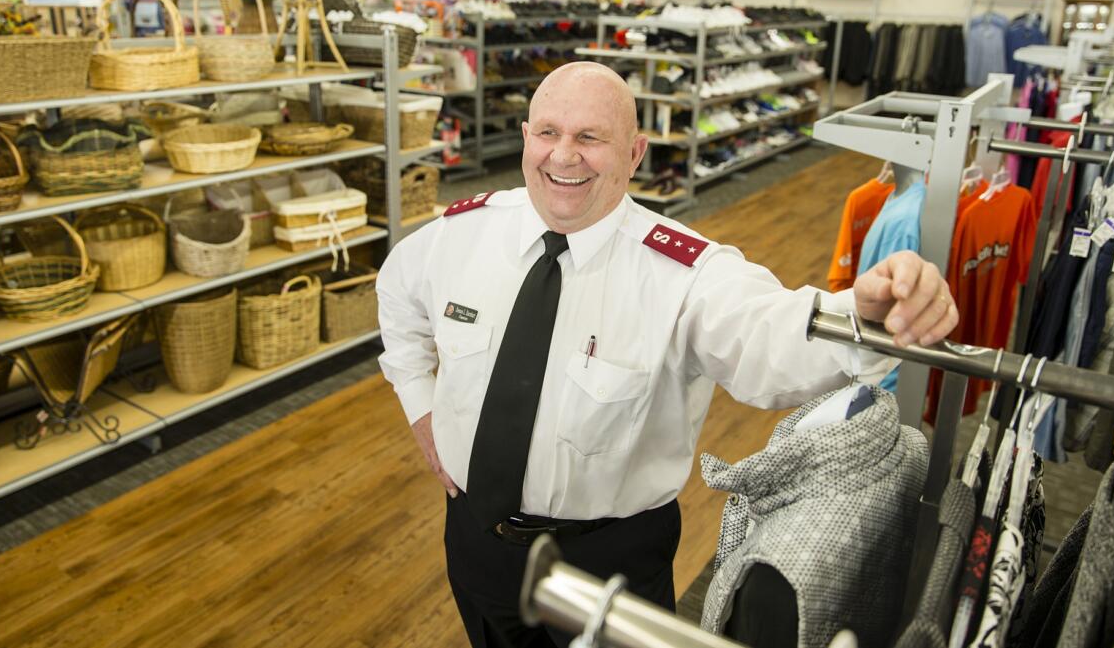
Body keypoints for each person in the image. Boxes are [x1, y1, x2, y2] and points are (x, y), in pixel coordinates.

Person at [377, 61, 958, 648]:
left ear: (635, 153)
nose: (564, 156)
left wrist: (864, 315)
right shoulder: (461, 235)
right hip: (474, 541)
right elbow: (396, 296)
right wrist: (419, 405)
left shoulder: (682, 274)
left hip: (606, 566)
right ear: (526, 138)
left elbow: (768, 336)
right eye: (549, 132)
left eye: (590, 138)